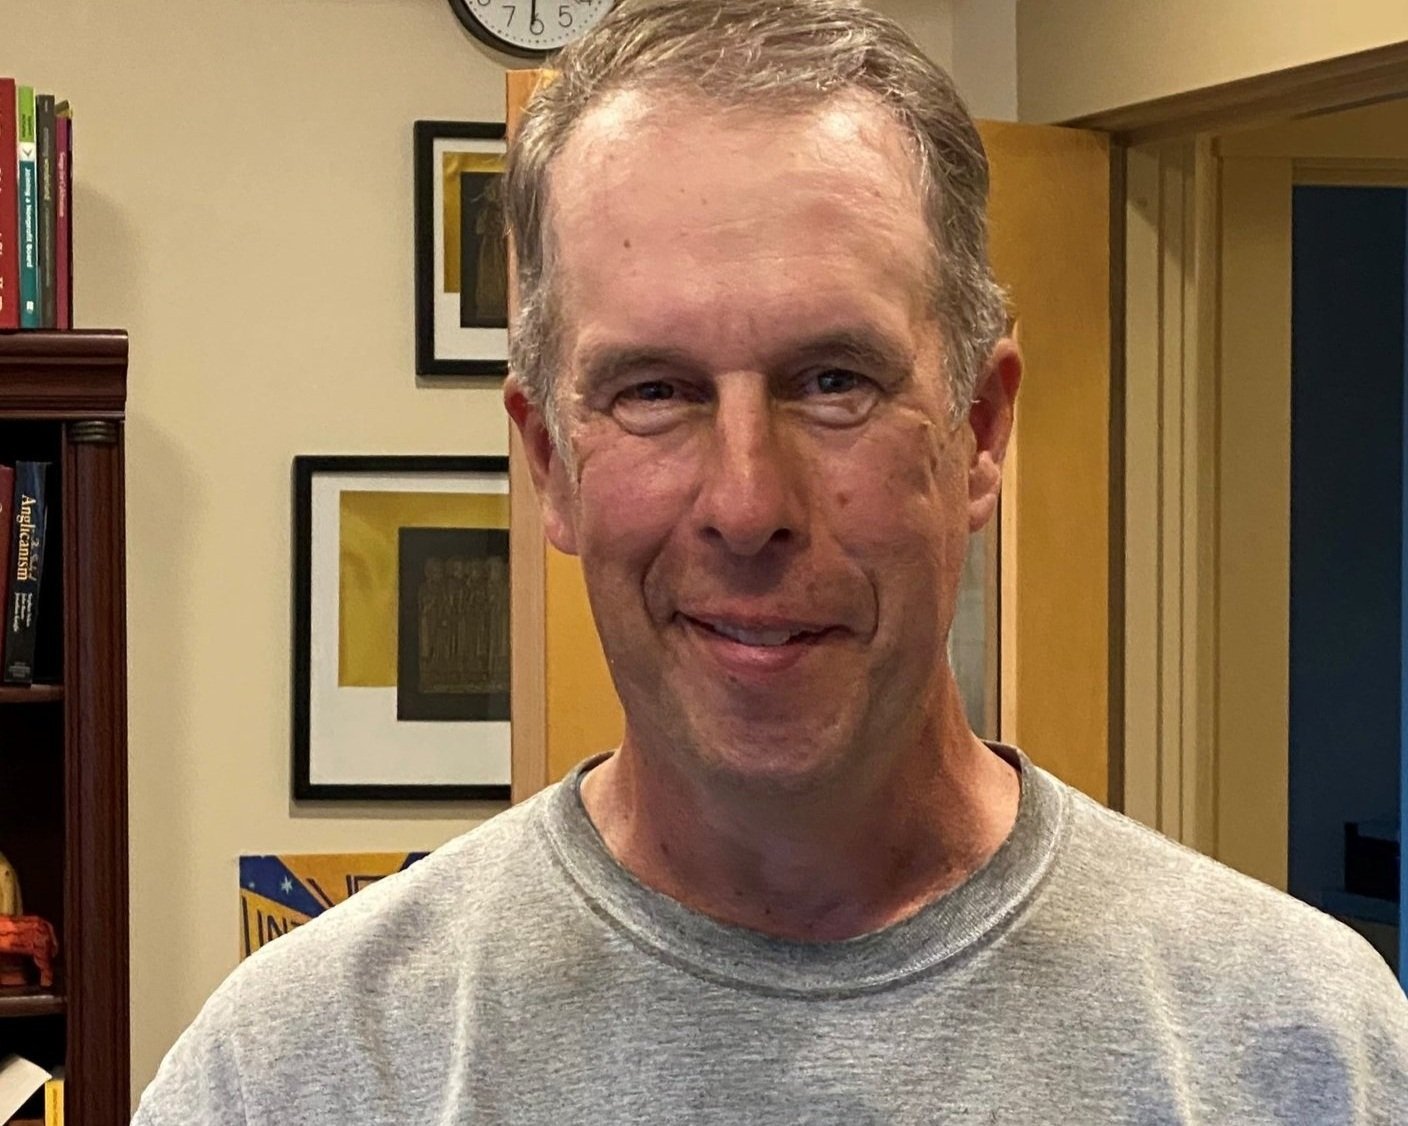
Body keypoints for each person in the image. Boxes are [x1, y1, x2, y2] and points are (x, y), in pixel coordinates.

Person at [132, 1, 1408, 1122]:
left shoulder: (1299, 1050)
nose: (747, 506)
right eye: (654, 390)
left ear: (979, 430)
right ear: (550, 462)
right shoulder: (304, 1067)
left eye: (833, 379)